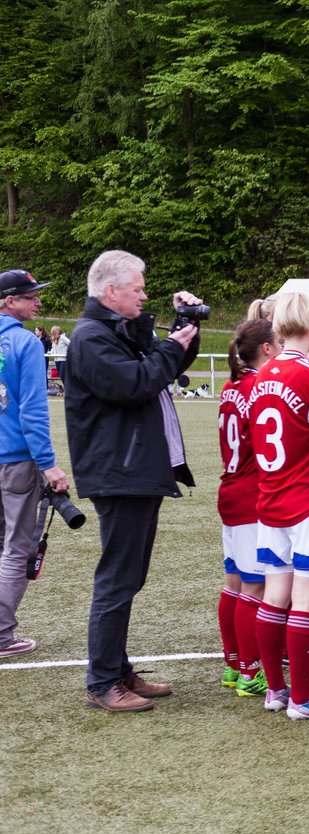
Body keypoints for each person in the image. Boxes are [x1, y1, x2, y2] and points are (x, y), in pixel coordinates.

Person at [65, 250, 200, 712]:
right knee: (117, 580)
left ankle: (117, 671)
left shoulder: (111, 332)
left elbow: (164, 366)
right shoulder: (90, 338)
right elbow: (139, 382)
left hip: (131, 470)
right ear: (111, 291)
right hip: (119, 472)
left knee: (127, 578)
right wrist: (172, 345)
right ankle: (103, 682)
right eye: (138, 288)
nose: (145, 295)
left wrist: (187, 327)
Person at [246, 292, 309, 719]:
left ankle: (275, 690)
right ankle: (301, 697)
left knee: (274, 596)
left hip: (270, 500)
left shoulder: (261, 376)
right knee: (306, 599)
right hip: (308, 499)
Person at [0, 270, 71, 660]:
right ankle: (1, 635)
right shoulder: (24, 342)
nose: (38, 302)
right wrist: (48, 464)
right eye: (30, 296)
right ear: (9, 301)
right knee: (15, 548)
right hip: (15, 460)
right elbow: (31, 409)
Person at [215, 320, 277, 692]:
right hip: (253, 494)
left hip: (231, 489)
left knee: (234, 584)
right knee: (254, 588)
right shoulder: (258, 387)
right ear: (267, 349)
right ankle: (250, 672)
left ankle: (233, 665)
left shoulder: (230, 385)